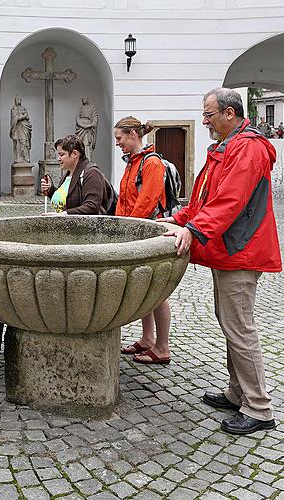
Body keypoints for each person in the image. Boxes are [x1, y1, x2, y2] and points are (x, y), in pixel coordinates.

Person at [161, 88, 281, 435]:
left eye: (209, 115)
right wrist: (180, 218)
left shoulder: (249, 148)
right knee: (230, 323)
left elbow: (229, 201)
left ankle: (259, 407)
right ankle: (237, 392)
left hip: (240, 251)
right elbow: (206, 198)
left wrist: (194, 231)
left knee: (240, 329)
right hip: (229, 251)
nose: (204, 121)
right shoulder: (230, 146)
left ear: (230, 113)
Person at [113, 116, 172, 365]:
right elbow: (124, 199)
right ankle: (147, 339)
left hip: (147, 233)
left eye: (119, 138)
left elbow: (146, 203)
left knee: (157, 291)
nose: (117, 143)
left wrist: (127, 228)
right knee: (144, 289)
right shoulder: (132, 163)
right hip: (132, 232)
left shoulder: (152, 163)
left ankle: (162, 346)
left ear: (132, 135)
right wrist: (116, 226)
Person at [40, 134, 108, 215]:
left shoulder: (92, 173)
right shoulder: (68, 174)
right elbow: (67, 201)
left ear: (75, 154)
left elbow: (92, 206)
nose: (58, 158)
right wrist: (50, 191)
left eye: (62, 155)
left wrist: (64, 214)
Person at [9, 95, 32, 164]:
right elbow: (14, 119)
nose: (18, 100)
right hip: (18, 129)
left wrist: (24, 116)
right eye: (17, 99)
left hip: (25, 127)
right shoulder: (13, 109)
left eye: (19, 99)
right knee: (20, 143)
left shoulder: (23, 108)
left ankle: (26, 158)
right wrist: (22, 116)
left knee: (25, 143)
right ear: (15, 100)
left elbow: (27, 117)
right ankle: (19, 158)